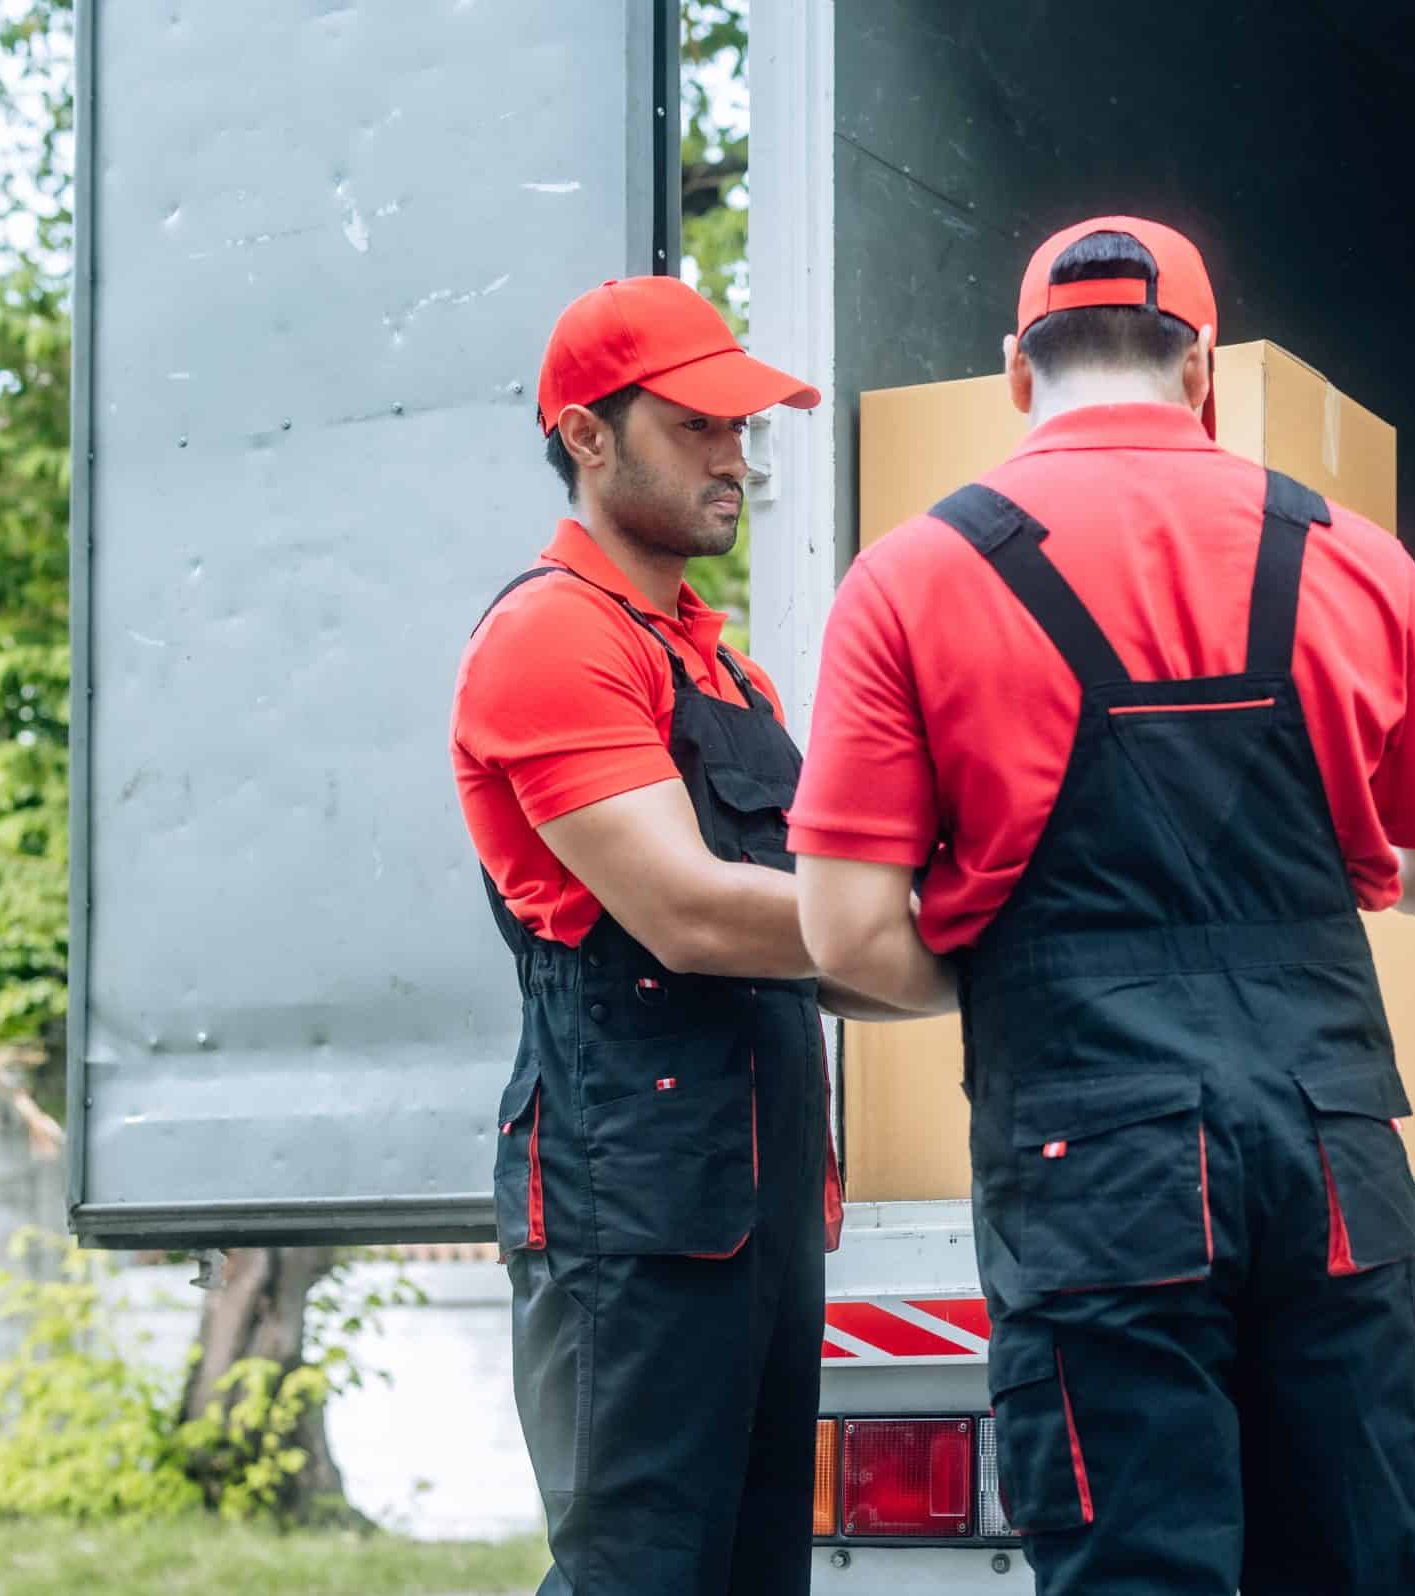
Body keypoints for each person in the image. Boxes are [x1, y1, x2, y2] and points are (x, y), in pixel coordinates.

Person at [788, 216, 1415, 1594]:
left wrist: (1028, 965)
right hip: (1331, 1154)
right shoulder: (1354, 557)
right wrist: (1352, 872)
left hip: (1092, 1162)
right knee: (1366, 1563)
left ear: (1016, 373)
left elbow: (846, 938)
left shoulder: (911, 579)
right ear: (1204, 369)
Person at [450, 274, 903, 1595]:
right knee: (638, 1573)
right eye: (699, 423)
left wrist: (993, 950)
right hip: (629, 1207)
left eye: (742, 426)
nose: (736, 455)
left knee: (758, 1574)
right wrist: (925, 917)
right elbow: (694, 912)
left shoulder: (726, 668)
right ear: (587, 436)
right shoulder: (550, 640)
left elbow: (820, 943)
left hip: (758, 1205)